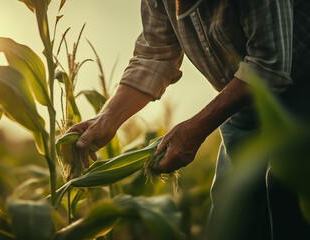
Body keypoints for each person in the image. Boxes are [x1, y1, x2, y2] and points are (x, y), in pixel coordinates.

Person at [68, 0, 310, 239]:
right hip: (241, 101)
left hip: (301, 88)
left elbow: (268, 67)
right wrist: (107, 118)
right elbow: (154, 56)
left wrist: (196, 128)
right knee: (232, 212)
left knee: (287, 195)